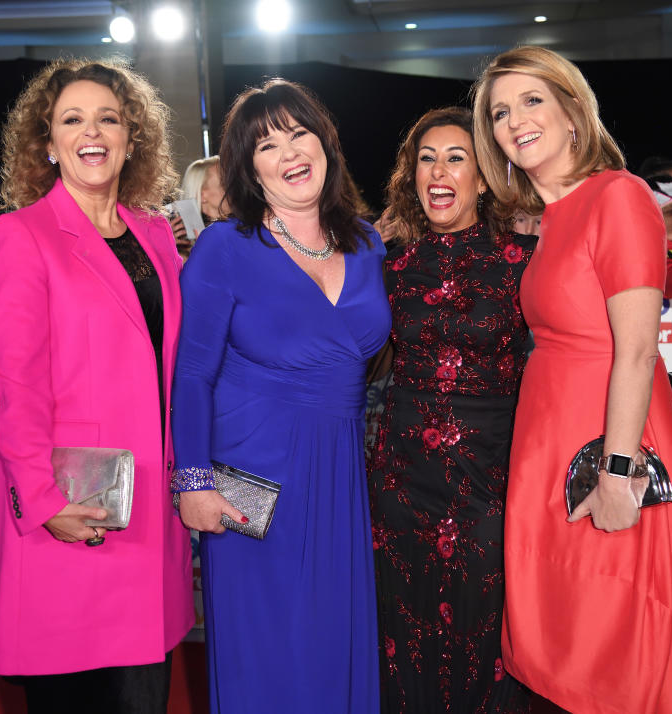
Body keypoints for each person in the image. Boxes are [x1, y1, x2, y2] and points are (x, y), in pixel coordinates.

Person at [472, 46, 672, 713]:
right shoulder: (552, 217)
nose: (514, 121)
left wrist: (617, 471)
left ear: (574, 112)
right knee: (560, 646)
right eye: (499, 112)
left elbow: (635, 351)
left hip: (603, 451)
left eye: (532, 100)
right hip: (549, 446)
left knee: (611, 649)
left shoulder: (620, 196)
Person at [0, 59, 193, 713]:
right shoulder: (21, 235)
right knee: (75, 694)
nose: (92, 132)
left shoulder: (157, 235)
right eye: (72, 119)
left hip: (147, 509)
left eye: (109, 118)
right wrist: (43, 501)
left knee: (142, 692)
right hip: (70, 506)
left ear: (133, 138)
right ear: (47, 141)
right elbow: (15, 383)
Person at [171, 78, 389, 713]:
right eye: (266, 145)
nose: (290, 152)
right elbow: (191, 376)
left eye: (299, 133)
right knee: (266, 648)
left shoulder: (367, 242)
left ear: (325, 144)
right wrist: (193, 480)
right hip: (250, 479)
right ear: (248, 168)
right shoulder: (224, 247)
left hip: (341, 472)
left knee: (332, 639)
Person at [368, 106, 533, 713]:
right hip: (401, 474)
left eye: (455, 158)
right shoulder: (386, 263)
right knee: (403, 636)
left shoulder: (526, 258)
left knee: (485, 633)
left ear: (484, 176)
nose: (438, 170)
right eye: (426, 159)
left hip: (491, 475)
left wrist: (668, 394)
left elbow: (590, 339)